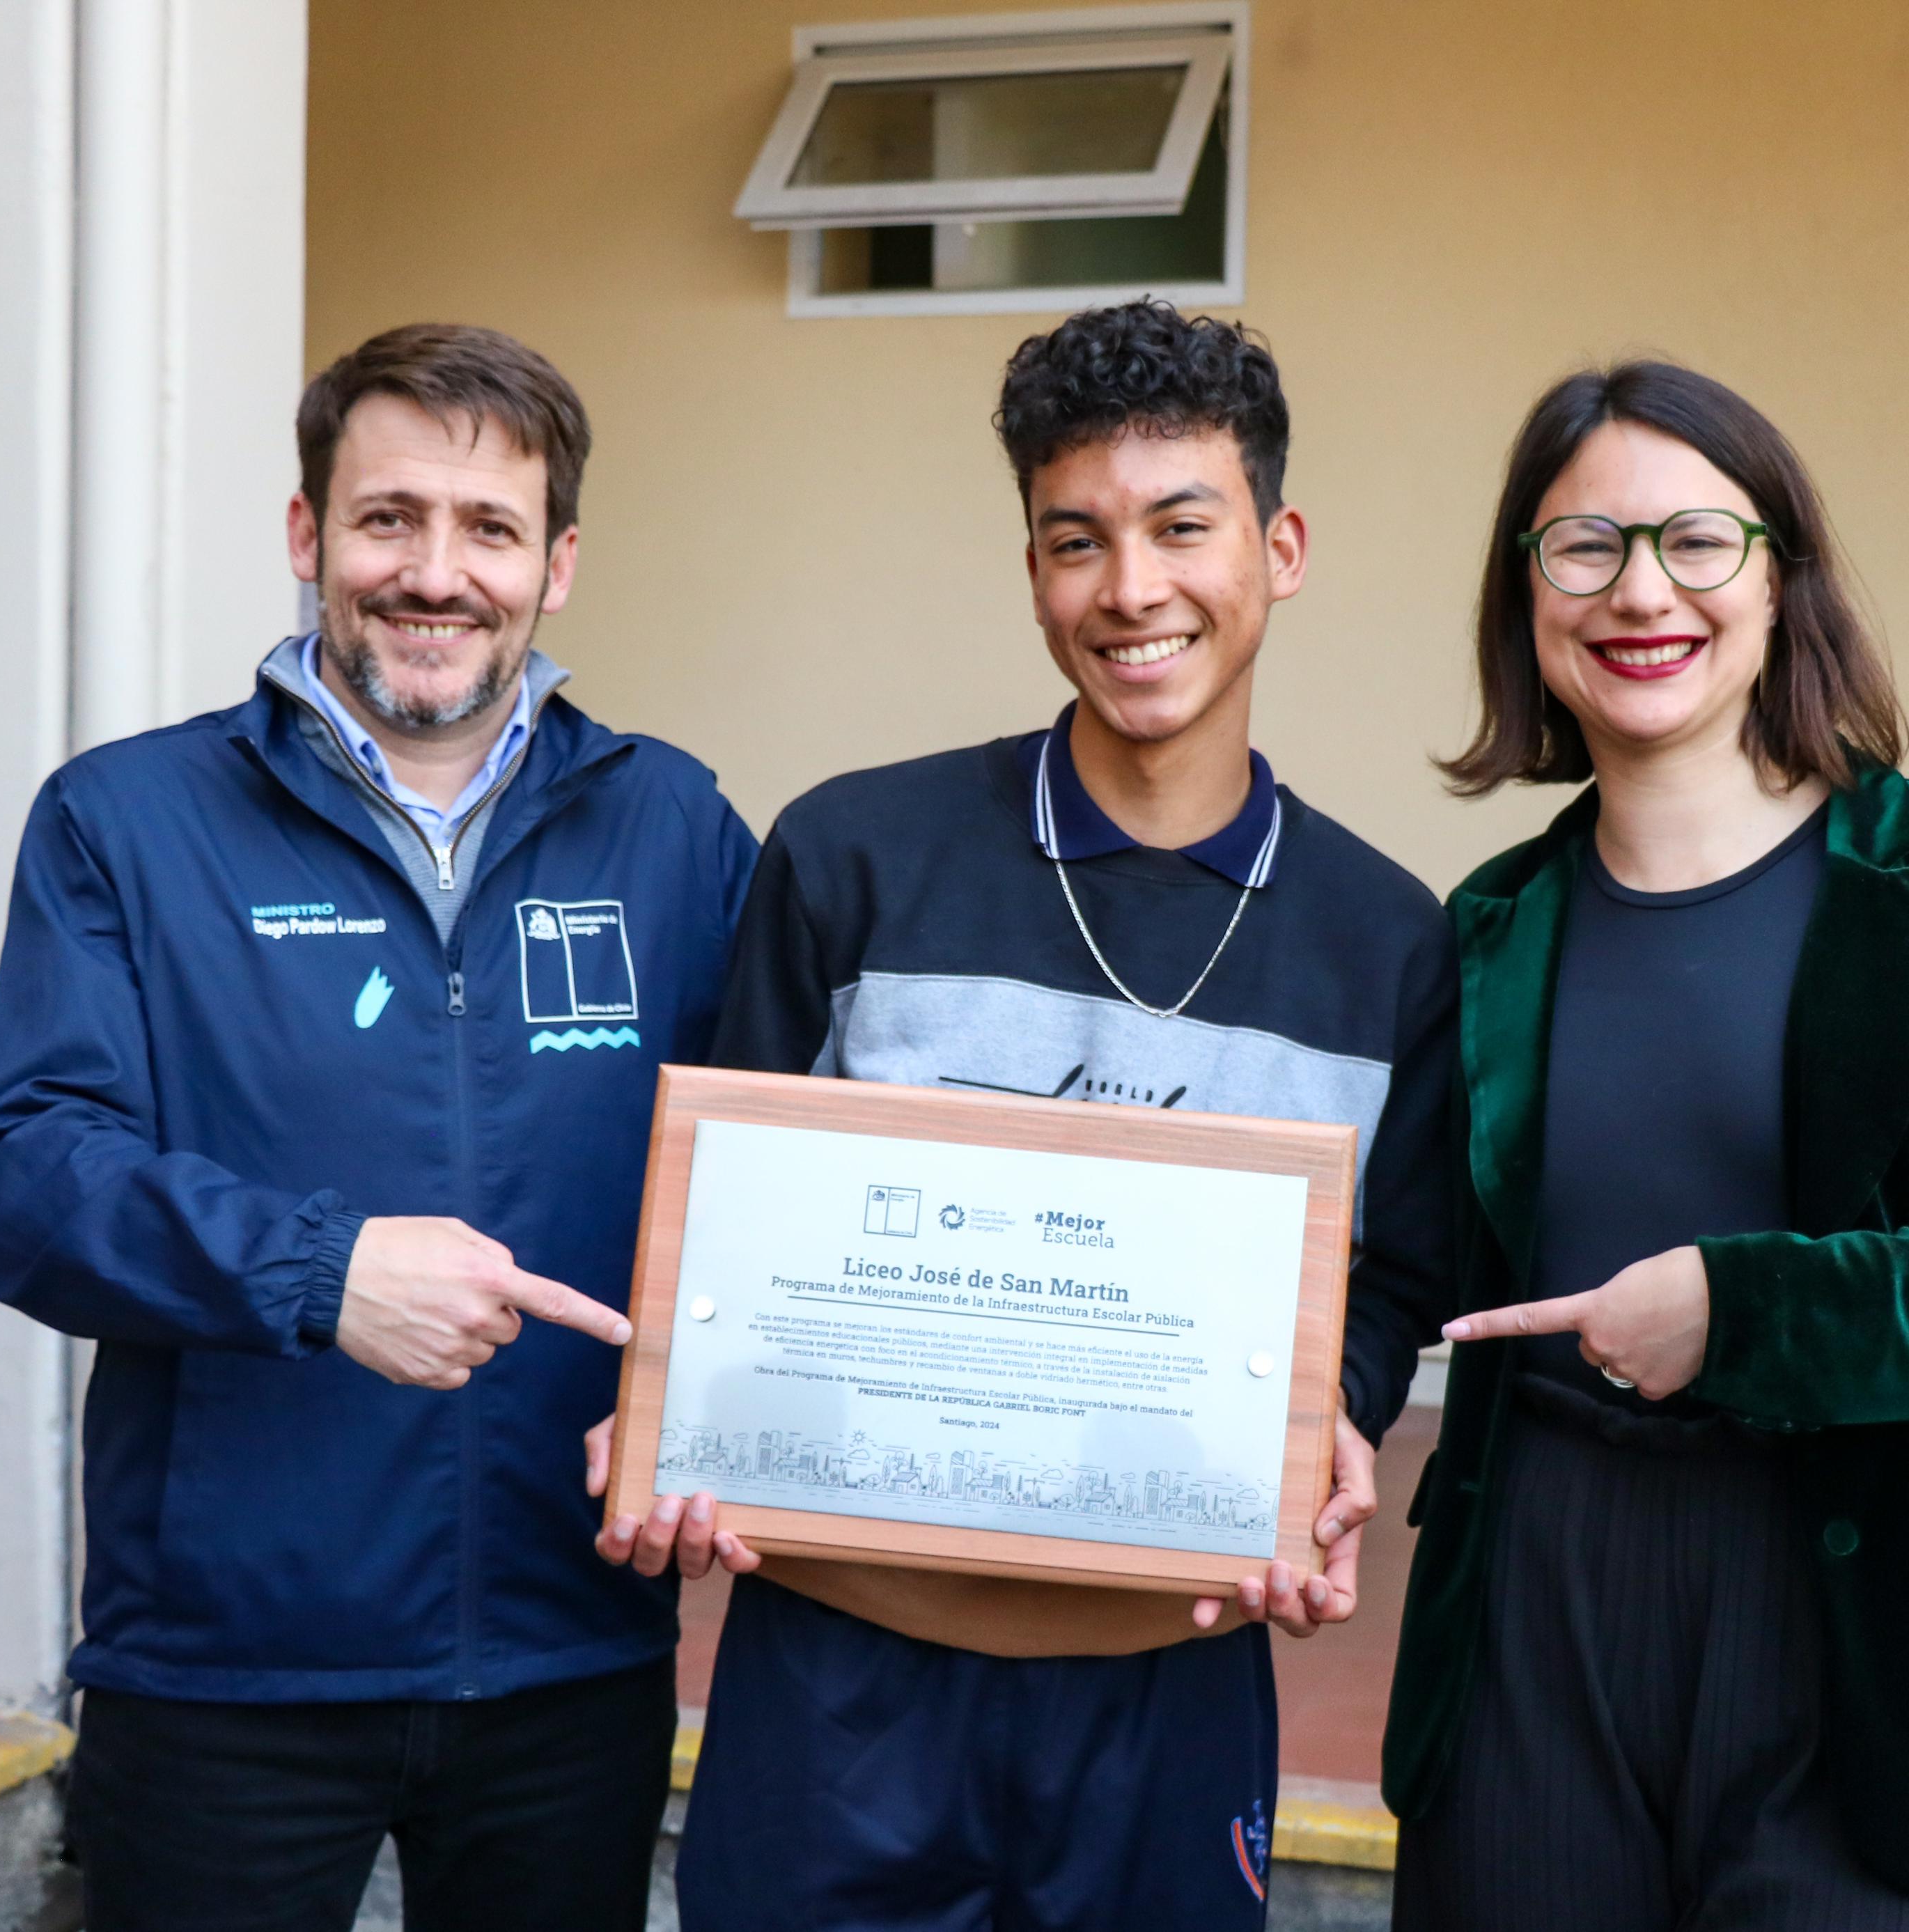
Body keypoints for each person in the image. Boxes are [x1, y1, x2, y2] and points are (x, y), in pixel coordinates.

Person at [579, 300, 1457, 1926]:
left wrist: (1329, 1411)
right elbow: (722, 1228)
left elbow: (1390, 1275)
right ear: (1033, 565)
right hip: (837, 1684)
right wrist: (674, 1399)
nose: (1131, 590)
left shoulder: (1388, 940)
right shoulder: (851, 856)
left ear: (1279, 544)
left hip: (1167, 1696)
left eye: (1181, 527)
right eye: (1076, 539)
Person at [0, 322, 758, 1932]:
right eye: (389, 518)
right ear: (308, 534)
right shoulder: (127, 820)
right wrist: (321, 1270)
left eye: (489, 529)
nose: (434, 573)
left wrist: (732, 1427)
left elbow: (767, 1180)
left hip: (569, 1644)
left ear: (559, 563)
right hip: (225, 1664)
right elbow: (22, 1169)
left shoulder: (673, 825)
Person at [1378, 361, 1909, 1929]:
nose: (1638, 589)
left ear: (1780, 574)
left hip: (1884, 1615)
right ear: (1524, 594)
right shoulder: (1487, 931)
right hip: (1541, 1586)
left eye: (1696, 540)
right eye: (1582, 544)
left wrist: (1741, 1313)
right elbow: (1396, 1272)